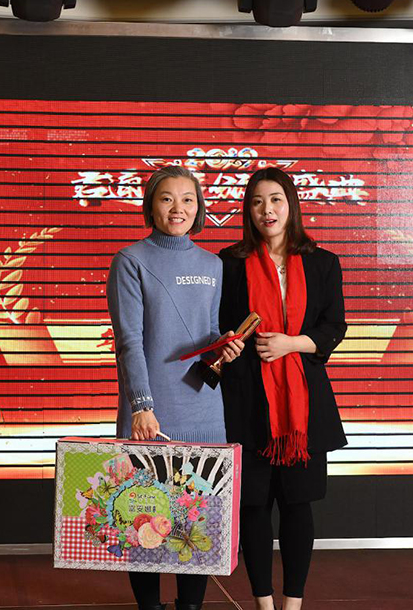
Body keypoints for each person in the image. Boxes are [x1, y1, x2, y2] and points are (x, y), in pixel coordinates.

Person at [107, 165, 244, 610]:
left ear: (199, 208)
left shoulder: (212, 264)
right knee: (142, 517)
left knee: (196, 520)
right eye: (167, 198)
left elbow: (206, 333)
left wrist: (223, 350)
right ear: (151, 206)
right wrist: (141, 406)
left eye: (188, 199)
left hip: (204, 409)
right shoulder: (130, 260)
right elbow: (129, 342)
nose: (178, 208)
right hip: (151, 411)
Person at [218, 167, 348, 610]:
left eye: (275, 199)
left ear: (291, 204)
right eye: (257, 201)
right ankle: (264, 603)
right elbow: (217, 327)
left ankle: (292, 604)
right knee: (252, 507)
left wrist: (291, 343)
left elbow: (334, 327)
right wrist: (226, 345)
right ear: (247, 210)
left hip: (303, 405)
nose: (266, 210)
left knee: (297, 506)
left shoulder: (322, 262)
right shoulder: (229, 263)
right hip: (246, 402)